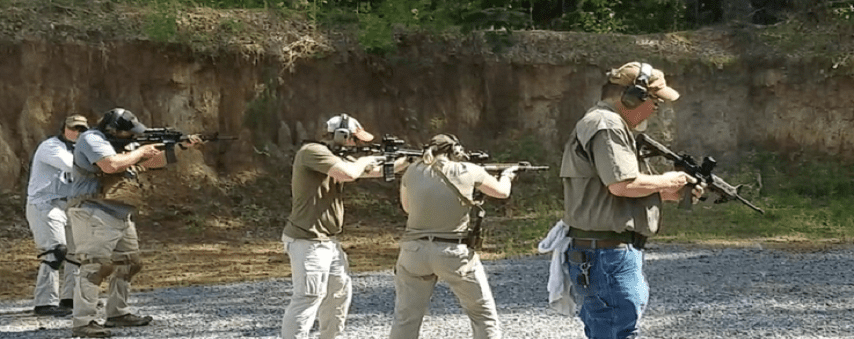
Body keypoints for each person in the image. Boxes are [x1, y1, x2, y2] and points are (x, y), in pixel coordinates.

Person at [559, 61, 703, 339]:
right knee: (617, 331)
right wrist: (671, 180)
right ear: (632, 97)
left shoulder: (606, 123)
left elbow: (611, 187)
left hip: (604, 252)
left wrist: (666, 192)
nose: (657, 108)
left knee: (612, 330)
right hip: (606, 253)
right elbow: (622, 184)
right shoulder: (607, 124)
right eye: (655, 100)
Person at [66, 108, 201, 338]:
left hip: (119, 212)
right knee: (95, 266)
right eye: (127, 134)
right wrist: (139, 152)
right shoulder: (91, 139)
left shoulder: (122, 145)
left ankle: (117, 313)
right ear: (113, 130)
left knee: (128, 263)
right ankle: (83, 321)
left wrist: (180, 146)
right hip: (93, 211)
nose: (131, 138)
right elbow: (111, 165)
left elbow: (153, 162)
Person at [281, 113, 407, 339]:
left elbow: (373, 171)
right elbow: (349, 173)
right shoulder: (312, 151)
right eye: (353, 139)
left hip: (327, 241)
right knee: (308, 297)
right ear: (340, 136)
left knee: (339, 293)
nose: (356, 145)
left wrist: (407, 161)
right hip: (307, 240)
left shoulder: (333, 156)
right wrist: (366, 160)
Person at [389, 134, 519, 339]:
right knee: (482, 315)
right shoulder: (470, 170)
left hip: (413, 251)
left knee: (406, 318)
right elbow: (502, 192)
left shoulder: (411, 171)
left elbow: (407, 208)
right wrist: (507, 176)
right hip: (453, 252)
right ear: (455, 151)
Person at [25, 114, 89, 317]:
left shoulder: (79, 149)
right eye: (73, 128)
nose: (77, 132)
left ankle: (70, 298)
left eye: (81, 129)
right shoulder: (51, 147)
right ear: (64, 128)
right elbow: (73, 166)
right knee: (55, 252)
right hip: (44, 204)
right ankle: (45, 302)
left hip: (67, 204)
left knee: (76, 252)